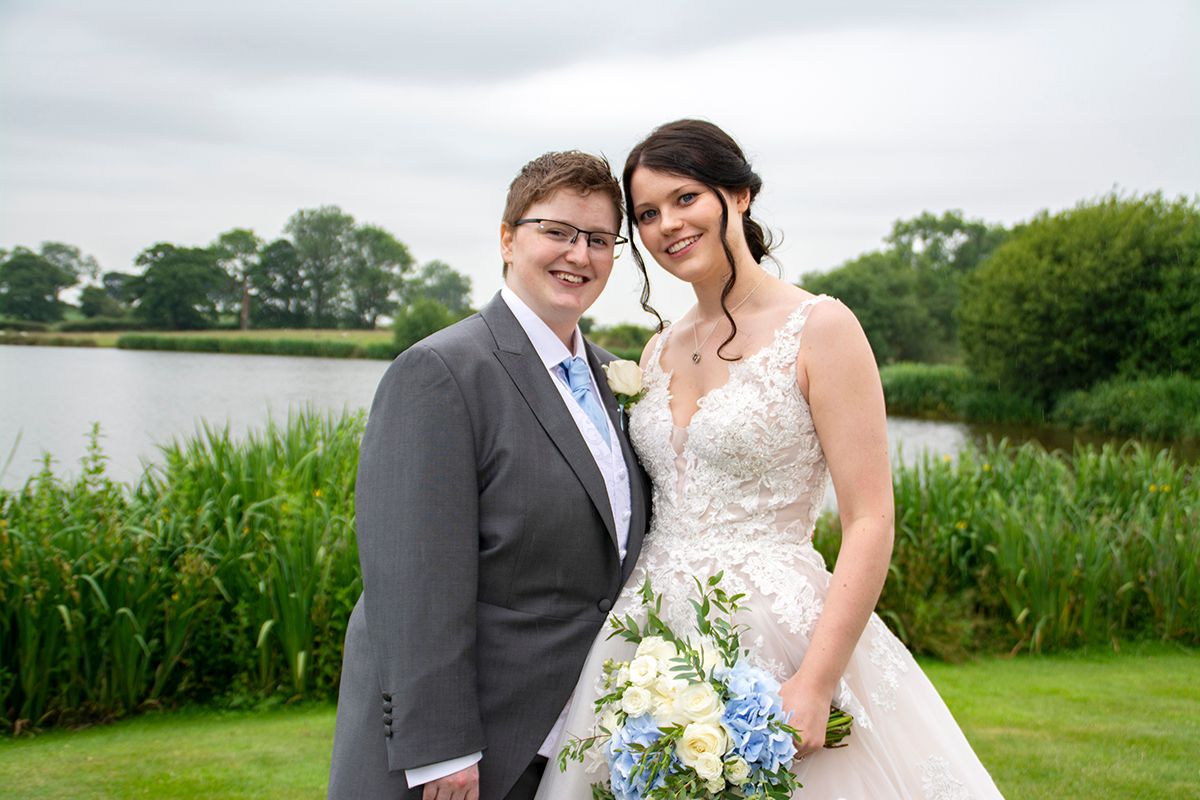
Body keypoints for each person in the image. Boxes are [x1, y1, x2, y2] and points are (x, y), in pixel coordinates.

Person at [535, 120, 1004, 798]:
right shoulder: (656, 351)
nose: (667, 224)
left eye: (685, 198)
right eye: (646, 214)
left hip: (781, 631)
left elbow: (871, 518)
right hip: (650, 636)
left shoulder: (821, 329)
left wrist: (816, 682)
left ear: (740, 196)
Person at [327, 150, 651, 800]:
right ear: (508, 237)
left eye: (597, 239)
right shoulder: (442, 372)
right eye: (556, 232)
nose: (578, 255)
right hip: (465, 753)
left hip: (572, 740)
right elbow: (412, 580)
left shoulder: (617, 377)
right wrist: (442, 748)